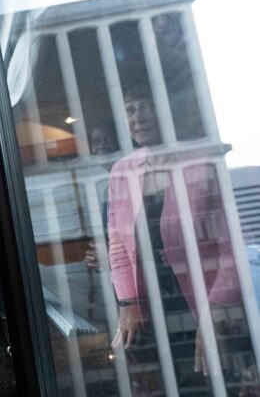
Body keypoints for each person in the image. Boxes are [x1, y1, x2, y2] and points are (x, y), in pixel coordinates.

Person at [108, 87, 253, 395]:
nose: (139, 117)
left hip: (212, 305)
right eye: (131, 109)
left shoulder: (201, 162)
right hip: (154, 311)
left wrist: (214, 313)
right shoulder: (121, 171)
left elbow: (231, 250)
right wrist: (128, 303)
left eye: (148, 106)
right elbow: (118, 247)